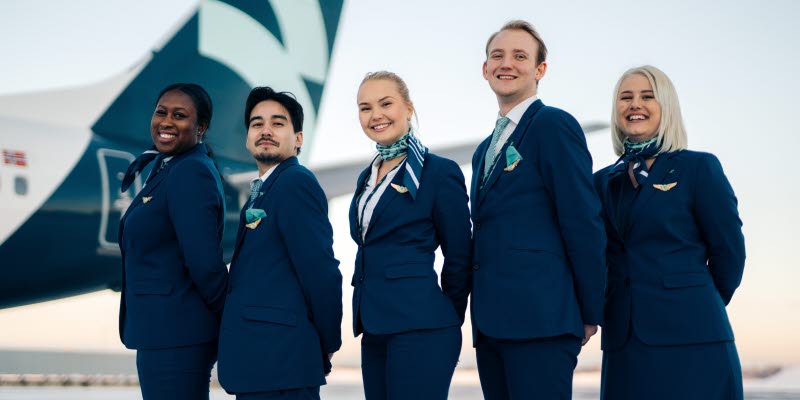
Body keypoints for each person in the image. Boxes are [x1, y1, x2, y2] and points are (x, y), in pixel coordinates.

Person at [469, 20, 607, 399]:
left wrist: (589, 309)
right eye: (497, 55)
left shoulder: (553, 125)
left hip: (541, 319)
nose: (506, 63)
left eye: (519, 56)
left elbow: (582, 219)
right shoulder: (484, 150)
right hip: (491, 324)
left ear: (539, 70)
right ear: (485, 69)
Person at [595, 65, 745, 400]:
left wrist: (692, 303)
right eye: (626, 97)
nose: (635, 104)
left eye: (647, 97)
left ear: (667, 108)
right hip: (625, 342)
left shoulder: (698, 168)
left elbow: (729, 253)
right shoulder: (602, 182)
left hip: (693, 337)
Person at [350, 71, 472, 400]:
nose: (375, 114)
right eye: (365, 107)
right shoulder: (367, 176)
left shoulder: (437, 171)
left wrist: (448, 316)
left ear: (408, 108)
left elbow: (460, 253)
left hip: (421, 326)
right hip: (374, 327)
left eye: (385, 103)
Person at [216, 87, 342, 400]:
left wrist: (324, 343)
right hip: (261, 364)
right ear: (247, 138)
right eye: (257, 124)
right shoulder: (263, 191)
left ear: (298, 138)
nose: (266, 130)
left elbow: (321, 272)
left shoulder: (295, 183)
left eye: (278, 123)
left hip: (282, 364)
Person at [118, 83, 229, 400]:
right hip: (164, 331)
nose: (166, 122)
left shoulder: (190, 171)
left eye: (180, 115)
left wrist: (229, 318)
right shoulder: (169, 167)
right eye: (161, 112)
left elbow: (205, 263)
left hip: (177, 334)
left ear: (201, 127)